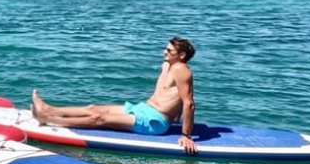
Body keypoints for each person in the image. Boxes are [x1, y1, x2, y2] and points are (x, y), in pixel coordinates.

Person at [31, 37, 198, 154]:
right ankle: (48, 108)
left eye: (169, 50)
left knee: (98, 118)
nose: (164, 52)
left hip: (154, 122)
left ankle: (48, 119)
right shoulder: (167, 65)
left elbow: (188, 102)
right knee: (93, 108)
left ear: (181, 55)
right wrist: (176, 114)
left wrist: (186, 135)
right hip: (144, 109)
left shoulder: (182, 70)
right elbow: (169, 94)